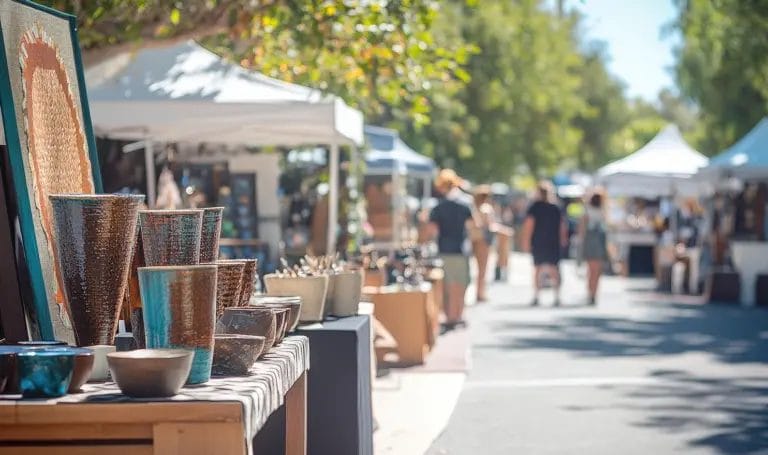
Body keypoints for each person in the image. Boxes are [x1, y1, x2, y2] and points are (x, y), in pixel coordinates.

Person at [427, 169, 478, 328]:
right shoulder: (465, 204)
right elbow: (473, 226)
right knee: (461, 284)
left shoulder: (438, 207)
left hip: (444, 249)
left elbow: (432, 231)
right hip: (461, 249)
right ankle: (459, 315)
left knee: (446, 285)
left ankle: (448, 317)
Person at [522, 181, 567, 306]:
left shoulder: (535, 207)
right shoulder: (556, 208)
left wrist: (526, 241)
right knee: (554, 269)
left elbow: (528, 226)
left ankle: (537, 295)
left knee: (538, 269)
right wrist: (563, 239)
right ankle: (557, 296)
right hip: (553, 241)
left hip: (539, 241)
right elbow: (562, 227)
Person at [579, 189, 608, 305]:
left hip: (590, 240)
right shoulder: (603, 211)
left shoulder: (588, 210)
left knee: (591, 270)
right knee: (597, 271)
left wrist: (581, 241)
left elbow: (582, 227)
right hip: (599, 240)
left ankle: (590, 293)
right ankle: (594, 293)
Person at [473, 186, 496, 302]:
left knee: (478, 267)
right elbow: (489, 225)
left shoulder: (474, 208)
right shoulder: (486, 208)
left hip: (475, 239)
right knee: (483, 268)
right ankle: (480, 293)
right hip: (484, 240)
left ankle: (479, 291)